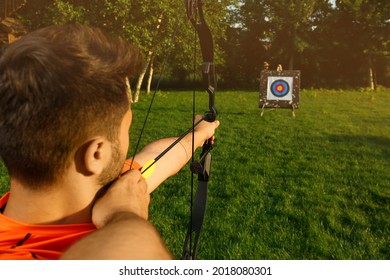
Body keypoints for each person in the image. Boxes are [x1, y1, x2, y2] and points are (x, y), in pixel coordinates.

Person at [0, 24, 219, 260]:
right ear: (96, 154)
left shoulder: (102, 188)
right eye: (127, 128)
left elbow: (158, 158)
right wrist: (125, 215)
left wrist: (196, 135)